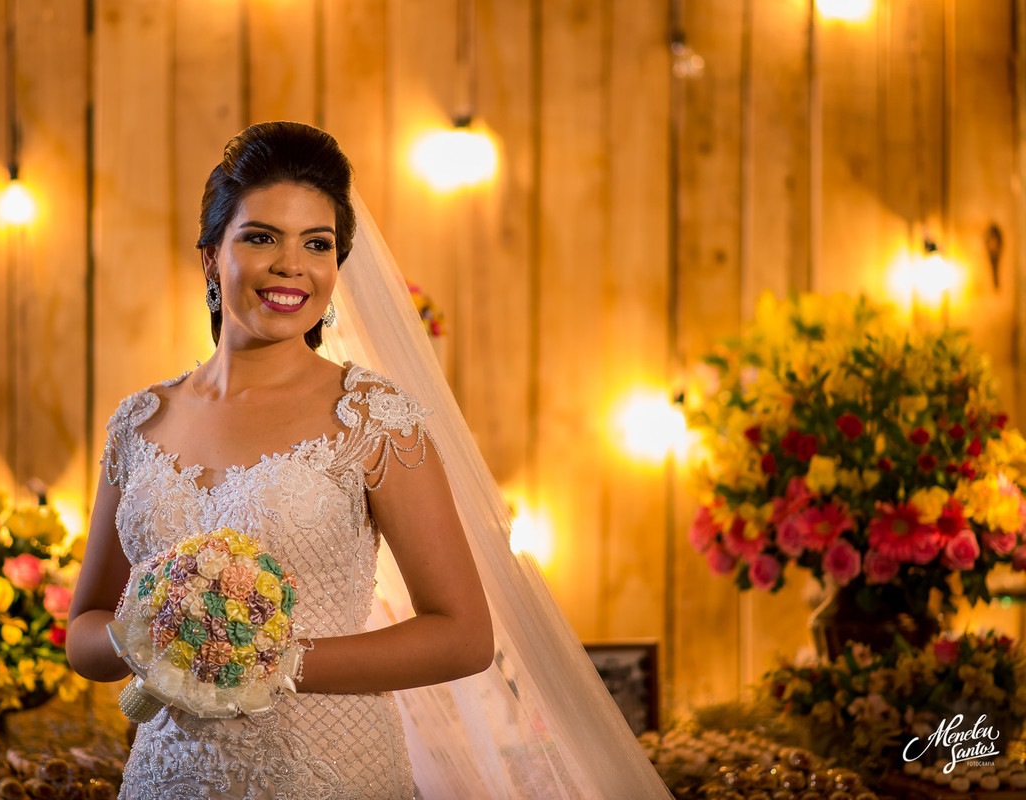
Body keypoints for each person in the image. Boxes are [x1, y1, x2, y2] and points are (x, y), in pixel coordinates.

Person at [69, 121, 673, 799]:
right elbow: (85, 633)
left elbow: (463, 636)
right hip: (168, 777)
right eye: (261, 237)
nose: (292, 265)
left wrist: (273, 661)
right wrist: (157, 634)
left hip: (330, 772)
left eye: (317, 244)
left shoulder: (372, 419)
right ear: (212, 257)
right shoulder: (140, 423)